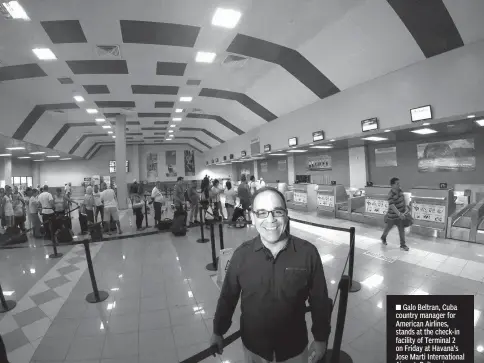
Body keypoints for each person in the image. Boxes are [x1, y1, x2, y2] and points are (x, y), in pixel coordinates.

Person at [210, 187, 330, 363]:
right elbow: (228, 297)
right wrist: (217, 331)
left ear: (286, 215)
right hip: (254, 348)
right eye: (262, 213)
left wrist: (321, 339)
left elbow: (319, 300)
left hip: (294, 349)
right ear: (252, 217)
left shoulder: (307, 254)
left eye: (277, 212)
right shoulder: (242, 255)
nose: (271, 220)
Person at [381, 177, 410, 251]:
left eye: (399, 183)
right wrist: (399, 213)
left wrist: (406, 207)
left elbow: (403, 200)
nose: (399, 185)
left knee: (401, 230)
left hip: (400, 216)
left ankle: (402, 245)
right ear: (392, 185)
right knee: (388, 228)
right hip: (392, 216)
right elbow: (392, 206)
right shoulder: (390, 194)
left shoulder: (400, 191)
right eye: (397, 183)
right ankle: (383, 237)